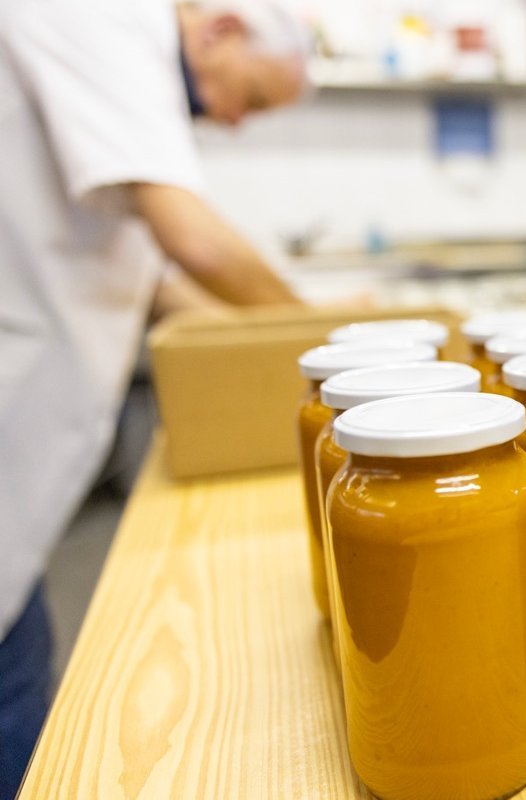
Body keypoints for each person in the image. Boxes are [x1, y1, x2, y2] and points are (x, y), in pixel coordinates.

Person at [0, 2, 310, 795]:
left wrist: (269, 341)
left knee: (21, 662)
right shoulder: (107, 21)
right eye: (255, 98)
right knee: (16, 696)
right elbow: (192, 240)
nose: (238, 122)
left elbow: (159, 289)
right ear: (221, 31)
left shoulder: (110, 84)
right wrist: (322, 331)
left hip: (27, 455)